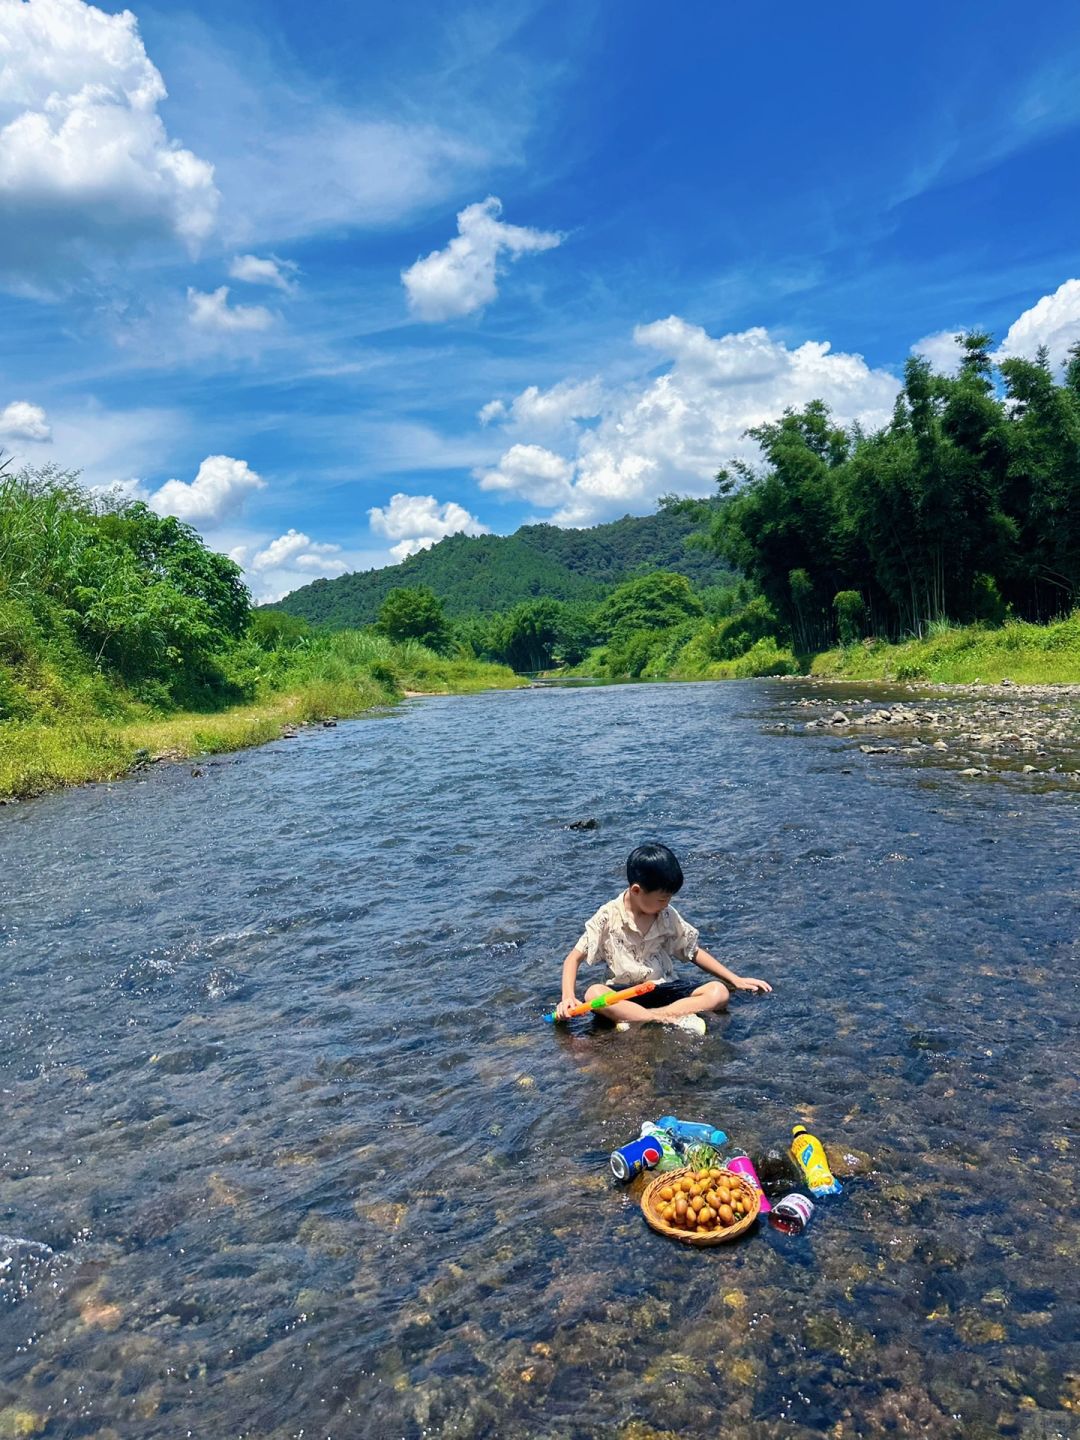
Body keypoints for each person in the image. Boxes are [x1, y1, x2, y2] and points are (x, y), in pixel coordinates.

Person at [555, 843, 772, 1035]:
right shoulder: (607, 916)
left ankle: (646, 1017)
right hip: (624, 994)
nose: (666, 904)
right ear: (637, 890)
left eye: (669, 898)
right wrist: (568, 997)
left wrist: (735, 979)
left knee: (719, 992)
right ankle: (663, 1018)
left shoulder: (666, 915)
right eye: (662, 898)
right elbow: (573, 958)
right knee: (594, 993)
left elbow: (692, 951)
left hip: (663, 987)